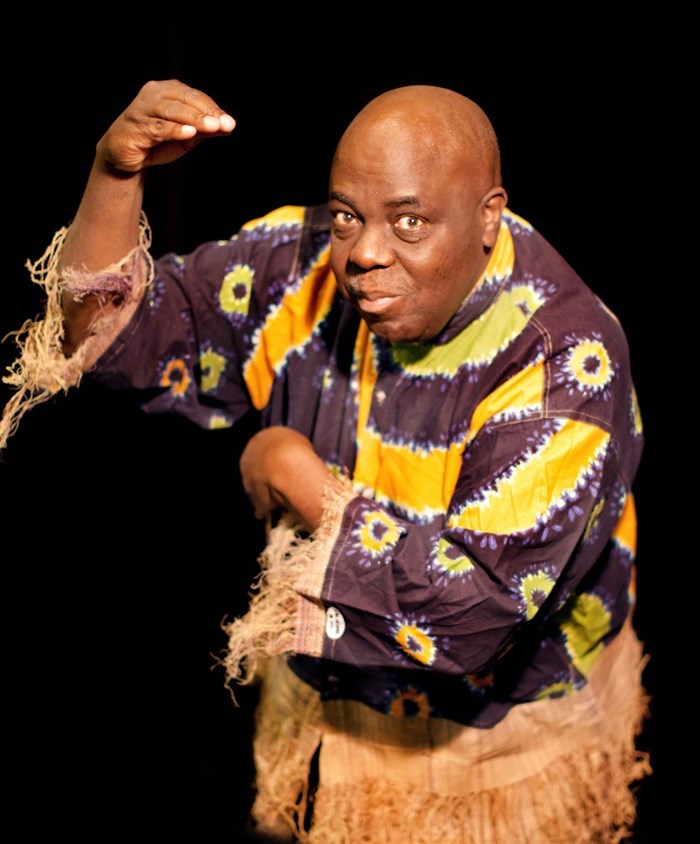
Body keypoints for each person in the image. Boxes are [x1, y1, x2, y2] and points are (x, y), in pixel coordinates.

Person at [0, 79, 651, 842]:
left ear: (489, 217)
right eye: (347, 215)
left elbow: (474, 616)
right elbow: (112, 336)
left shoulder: (565, 361)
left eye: (410, 222)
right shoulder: (304, 260)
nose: (365, 252)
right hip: (330, 716)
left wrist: (295, 475)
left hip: (497, 749)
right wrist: (115, 174)